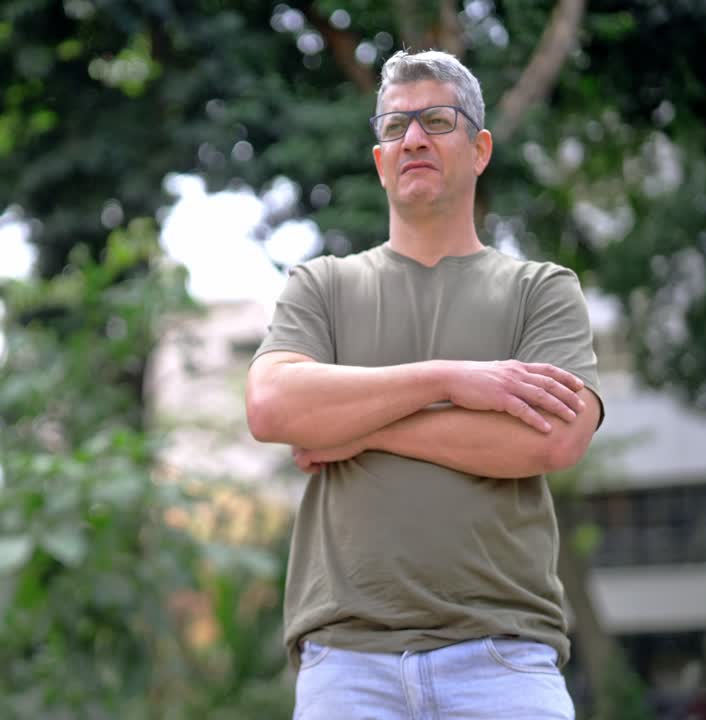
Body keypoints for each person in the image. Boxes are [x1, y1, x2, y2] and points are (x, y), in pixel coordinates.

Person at [245, 49, 604, 719]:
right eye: (394, 127)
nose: (411, 138)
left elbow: (553, 441)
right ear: (380, 160)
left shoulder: (541, 291)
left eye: (437, 120)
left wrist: (358, 427)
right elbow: (270, 406)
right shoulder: (321, 287)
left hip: (504, 660)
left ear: (480, 148)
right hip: (346, 664)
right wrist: (452, 380)